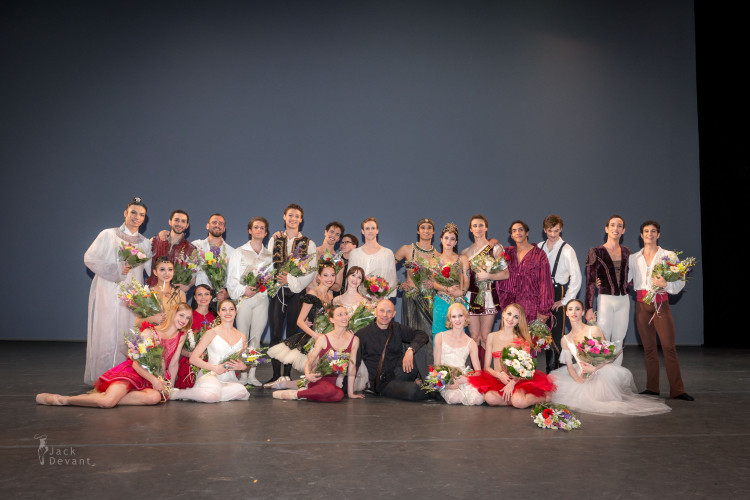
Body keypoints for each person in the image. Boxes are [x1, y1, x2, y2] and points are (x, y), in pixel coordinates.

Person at [37, 303, 191, 407]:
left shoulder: (181, 335)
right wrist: (154, 380)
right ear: (173, 314)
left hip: (152, 380)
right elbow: (136, 363)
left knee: (154, 397)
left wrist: (168, 385)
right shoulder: (150, 332)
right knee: (107, 403)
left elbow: (174, 362)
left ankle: (113, 396)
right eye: (181, 315)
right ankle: (63, 400)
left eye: (188, 318)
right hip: (135, 373)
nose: (184, 320)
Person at [550, 299, 671, 415]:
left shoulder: (594, 330)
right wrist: (577, 380)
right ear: (566, 313)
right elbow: (570, 366)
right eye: (570, 309)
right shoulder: (565, 339)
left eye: (577, 309)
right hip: (581, 373)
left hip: (600, 371)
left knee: (597, 400)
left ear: (582, 312)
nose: (574, 312)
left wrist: (594, 369)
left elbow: (608, 356)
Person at [83, 197, 152, 385]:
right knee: (106, 332)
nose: (137, 217)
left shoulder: (145, 243)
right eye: (134, 212)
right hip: (108, 291)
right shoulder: (108, 235)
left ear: (145, 219)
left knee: (127, 333)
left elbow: (151, 271)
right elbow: (89, 258)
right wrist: (116, 268)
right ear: (125, 213)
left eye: (142, 215)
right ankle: (102, 377)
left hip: (132, 296)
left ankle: (123, 377)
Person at [628, 221, 693, 401]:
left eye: (653, 231)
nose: (649, 234)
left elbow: (681, 280)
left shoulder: (668, 256)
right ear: (641, 235)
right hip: (641, 305)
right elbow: (627, 279)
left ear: (658, 234)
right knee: (648, 348)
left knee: (668, 348)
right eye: (646, 231)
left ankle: (678, 390)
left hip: (661, 304)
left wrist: (666, 284)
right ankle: (652, 388)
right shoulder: (634, 258)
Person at [265, 204, 317, 386]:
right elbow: (268, 263)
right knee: (276, 333)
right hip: (278, 292)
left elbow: (311, 271)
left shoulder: (309, 243)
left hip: (296, 293)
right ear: (284, 217)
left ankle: (286, 374)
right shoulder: (275, 240)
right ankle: (274, 374)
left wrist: (292, 282)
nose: (293, 219)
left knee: (292, 334)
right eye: (290, 215)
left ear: (301, 220)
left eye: (297, 216)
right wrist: (278, 279)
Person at [468, 303, 555, 408]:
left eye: (516, 317)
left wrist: (512, 383)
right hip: (499, 380)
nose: (511, 319)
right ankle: (512, 399)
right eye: (509, 314)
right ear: (503, 314)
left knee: (519, 402)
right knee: (489, 398)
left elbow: (527, 369)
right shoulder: (492, 336)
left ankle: (543, 397)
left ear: (519, 321)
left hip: (518, 380)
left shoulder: (522, 339)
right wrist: (498, 374)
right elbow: (486, 367)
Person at [273, 305, 364, 401]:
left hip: (332, 382)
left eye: (346, 314)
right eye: (340, 315)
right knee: (329, 391)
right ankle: (295, 394)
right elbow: (311, 359)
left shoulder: (354, 340)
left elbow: (352, 367)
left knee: (339, 394)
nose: (344, 317)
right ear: (332, 320)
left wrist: (351, 394)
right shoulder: (323, 338)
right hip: (316, 378)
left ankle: (305, 392)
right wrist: (308, 374)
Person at [171, 299, 250, 403]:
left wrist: (243, 366)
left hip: (229, 378)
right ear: (219, 313)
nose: (228, 312)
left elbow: (247, 362)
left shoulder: (242, 337)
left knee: (242, 392)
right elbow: (193, 359)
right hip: (210, 374)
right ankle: (177, 393)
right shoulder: (211, 333)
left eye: (231, 309)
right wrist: (215, 368)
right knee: (211, 397)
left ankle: (210, 393)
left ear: (236, 312)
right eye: (224, 309)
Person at [226, 216, 273, 387]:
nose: (259, 230)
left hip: (261, 300)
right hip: (244, 299)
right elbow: (231, 279)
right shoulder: (239, 252)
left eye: (262, 228)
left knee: (257, 338)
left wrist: (264, 285)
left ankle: (252, 374)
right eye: (256, 227)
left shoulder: (269, 255)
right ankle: (242, 375)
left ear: (266, 233)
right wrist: (243, 290)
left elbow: (270, 278)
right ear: (250, 230)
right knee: (243, 337)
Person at [267, 261, 336, 373]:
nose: (330, 278)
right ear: (319, 277)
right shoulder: (312, 294)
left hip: (325, 338)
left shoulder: (330, 296)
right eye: (326, 275)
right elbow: (299, 321)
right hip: (314, 337)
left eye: (333, 275)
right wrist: (315, 335)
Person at [356, 299, 431, 401]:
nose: (385, 315)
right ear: (375, 311)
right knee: (414, 391)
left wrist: (410, 350)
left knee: (420, 347)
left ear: (394, 313)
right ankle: (431, 391)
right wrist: (348, 390)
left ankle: (431, 384)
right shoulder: (363, 334)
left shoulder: (396, 328)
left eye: (389, 311)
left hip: (401, 372)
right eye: (382, 311)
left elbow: (422, 335)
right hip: (383, 383)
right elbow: (354, 363)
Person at [537, 215, 582, 373]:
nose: (553, 234)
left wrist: (564, 301)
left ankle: (560, 372)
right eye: (550, 231)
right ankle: (548, 370)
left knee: (557, 335)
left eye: (556, 231)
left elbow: (576, 278)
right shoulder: (539, 247)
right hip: (541, 293)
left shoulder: (567, 250)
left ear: (561, 229)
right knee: (542, 333)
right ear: (544, 230)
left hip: (558, 292)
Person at [585, 215, 630, 365]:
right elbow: (591, 281)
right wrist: (589, 307)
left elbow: (631, 278)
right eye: (612, 225)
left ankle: (616, 380)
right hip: (605, 300)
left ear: (623, 230)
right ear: (606, 229)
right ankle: (602, 377)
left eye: (619, 226)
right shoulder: (596, 252)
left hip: (624, 300)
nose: (615, 229)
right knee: (603, 339)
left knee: (618, 341)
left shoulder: (627, 252)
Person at [461, 214, 509, 355]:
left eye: (481, 225)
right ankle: (477, 370)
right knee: (475, 337)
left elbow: (506, 274)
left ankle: (487, 371)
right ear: (470, 229)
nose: (478, 228)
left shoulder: (495, 247)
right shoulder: (465, 252)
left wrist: (488, 275)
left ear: (486, 227)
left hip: (488, 295)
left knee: (486, 336)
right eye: (475, 226)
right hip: (471, 297)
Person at [496, 220, 554, 325]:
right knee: (508, 340)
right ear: (511, 236)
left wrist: (544, 310)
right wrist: (492, 241)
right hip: (510, 308)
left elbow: (545, 283)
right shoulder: (507, 253)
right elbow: (491, 252)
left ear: (526, 233)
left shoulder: (539, 254)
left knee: (528, 340)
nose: (517, 233)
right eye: (514, 231)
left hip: (531, 307)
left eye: (520, 230)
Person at [432, 303, 484, 405]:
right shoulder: (440, 337)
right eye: (454, 316)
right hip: (446, 379)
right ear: (450, 319)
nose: (457, 320)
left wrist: (466, 379)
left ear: (465, 317)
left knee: (478, 399)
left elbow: (478, 372)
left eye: (460, 315)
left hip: (463, 378)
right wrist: (447, 383)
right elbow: (436, 367)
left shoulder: (471, 343)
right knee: (456, 398)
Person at [394, 218, 437, 333]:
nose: (426, 230)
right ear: (418, 231)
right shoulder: (407, 249)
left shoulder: (438, 255)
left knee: (429, 333)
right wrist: (397, 284)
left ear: (433, 232)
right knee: (411, 332)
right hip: (411, 297)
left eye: (429, 228)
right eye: (423, 227)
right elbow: (388, 266)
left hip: (429, 299)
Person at [429, 223, 468, 340]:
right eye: (446, 238)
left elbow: (466, 280)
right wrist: (447, 289)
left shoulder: (463, 259)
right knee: (439, 334)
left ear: (456, 242)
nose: (449, 241)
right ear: (441, 240)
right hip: (441, 300)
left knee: (459, 335)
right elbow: (433, 283)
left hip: (458, 301)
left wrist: (461, 292)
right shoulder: (434, 260)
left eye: (452, 239)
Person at [175, 284, 216, 389]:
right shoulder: (188, 317)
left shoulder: (216, 317)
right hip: (191, 361)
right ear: (195, 297)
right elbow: (177, 344)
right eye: (200, 294)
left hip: (211, 360)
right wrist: (190, 354)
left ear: (211, 297)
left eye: (206, 294)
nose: (203, 297)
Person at [347, 217, 397, 299]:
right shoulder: (354, 253)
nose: (370, 231)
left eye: (373, 228)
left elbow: (391, 281)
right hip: (358, 299)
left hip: (380, 301)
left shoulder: (387, 253)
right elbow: (349, 279)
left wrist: (380, 296)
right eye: (367, 228)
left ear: (377, 230)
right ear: (362, 231)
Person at [147, 210, 196, 292]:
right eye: (176, 220)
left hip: (174, 295)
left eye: (183, 221)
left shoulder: (191, 249)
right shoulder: (154, 241)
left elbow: (197, 273)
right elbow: (142, 263)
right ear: (170, 222)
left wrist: (188, 286)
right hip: (153, 291)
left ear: (187, 225)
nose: (179, 224)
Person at [192, 213, 235, 301]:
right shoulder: (196, 245)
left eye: (221, 224)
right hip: (200, 296)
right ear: (207, 226)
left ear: (224, 229)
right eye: (214, 222)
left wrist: (227, 294)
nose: (217, 225)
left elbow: (234, 279)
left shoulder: (232, 252)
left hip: (220, 297)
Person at [136, 256, 187, 326]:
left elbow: (184, 320)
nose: (167, 273)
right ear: (155, 272)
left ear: (173, 272)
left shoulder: (180, 294)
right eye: (162, 269)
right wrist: (152, 319)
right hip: (154, 334)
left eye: (170, 269)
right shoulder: (147, 294)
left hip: (173, 334)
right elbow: (138, 322)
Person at [332, 233, 359, 298]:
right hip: (335, 296)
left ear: (354, 246)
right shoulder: (335, 260)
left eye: (346, 242)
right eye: (341, 242)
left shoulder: (358, 262)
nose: (342, 244)